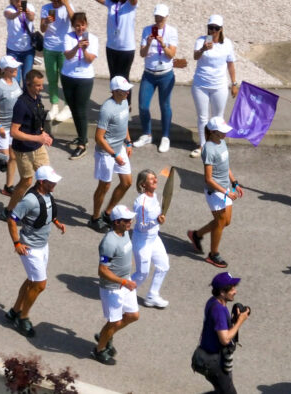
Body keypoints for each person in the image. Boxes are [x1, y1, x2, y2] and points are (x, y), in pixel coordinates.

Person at [5, 165, 65, 338]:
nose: (54, 184)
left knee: (33, 280)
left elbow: (48, 212)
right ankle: (23, 317)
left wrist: (57, 222)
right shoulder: (29, 200)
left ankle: (15, 311)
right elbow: (12, 219)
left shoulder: (48, 194)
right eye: (51, 181)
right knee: (40, 284)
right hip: (30, 248)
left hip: (43, 245)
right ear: (41, 182)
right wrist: (17, 243)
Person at [187, 117, 243, 268]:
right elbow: (209, 179)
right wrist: (226, 192)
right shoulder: (209, 149)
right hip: (216, 192)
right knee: (220, 222)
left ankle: (196, 235)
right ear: (212, 132)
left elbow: (226, 166)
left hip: (226, 189)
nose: (225, 134)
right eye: (222, 132)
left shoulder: (222, 141)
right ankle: (213, 254)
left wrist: (235, 182)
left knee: (226, 222)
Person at [1, 69, 52, 220]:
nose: (41, 88)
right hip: (23, 150)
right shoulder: (21, 104)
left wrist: (43, 134)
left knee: (47, 178)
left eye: (42, 85)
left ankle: (35, 206)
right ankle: (9, 210)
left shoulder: (37, 98)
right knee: (27, 181)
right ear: (28, 84)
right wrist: (37, 139)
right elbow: (14, 132)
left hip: (38, 146)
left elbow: (37, 120)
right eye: (37, 85)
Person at [92, 205, 139, 366]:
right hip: (112, 289)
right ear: (117, 222)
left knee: (133, 316)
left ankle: (105, 335)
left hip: (125, 283)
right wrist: (123, 282)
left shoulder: (125, 233)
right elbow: (102, 271)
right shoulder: (109, 242)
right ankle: (98, 350)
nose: (130, 222)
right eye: (127, 220)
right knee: (113, 322)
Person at [88, 76, 133, 232]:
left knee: (127, 182)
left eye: (128, 90)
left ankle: (107, 213)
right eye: (123, 91)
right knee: (104, 186)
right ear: (114, 91)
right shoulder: (107, 109)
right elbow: (99, 138)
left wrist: (128, 142)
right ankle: (94, 218)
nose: (127, 93)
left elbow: (124, 123)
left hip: (119, 148)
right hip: (106, 153)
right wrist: (114, 155)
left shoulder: (125, 101)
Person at [190, 14, 238, 158]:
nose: (212, 31)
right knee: (202, 117)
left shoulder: (227, 43)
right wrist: (203, 49)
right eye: (210, 28)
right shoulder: (201, 40)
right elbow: (195, 57)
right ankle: (203, 145)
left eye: (216, 28)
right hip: (201, 84)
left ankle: (217, 145)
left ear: (221, 29)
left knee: (218, 117)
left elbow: (230, 64)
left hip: (219, 85)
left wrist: (234, 83)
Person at [193, 272, 250, 394]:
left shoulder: (213, 301)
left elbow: (219, 326)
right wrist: (240, 321)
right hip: (214, 363)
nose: (235, 291)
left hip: (208, 357)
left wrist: (233, 321)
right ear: (222, 292)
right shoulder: (219, 310)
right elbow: (224, 339)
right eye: (232, 289)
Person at [132, 4, 177, 153]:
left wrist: (163, 44)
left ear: (166, 17)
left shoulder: (171, 31)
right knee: (143, 106)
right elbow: (142, 54)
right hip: (149, 74)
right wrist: (150, 42)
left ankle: (165, 136)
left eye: (161, 18)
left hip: (165, 74)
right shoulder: (146, 30)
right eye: (157, 17)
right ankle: (146, 134)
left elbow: (171, 55)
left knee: (165, 106)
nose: (158, 20)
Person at [61, 12, 97, 159]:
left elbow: (89, 60)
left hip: (84, 78)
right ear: (73, 26)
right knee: (72, 107)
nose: (80, 28)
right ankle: (82, 136)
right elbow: (68, 56)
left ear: (86, 24)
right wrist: (77, 46)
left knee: (81, 109)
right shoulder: (68, 37)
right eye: (77, 25)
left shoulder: (93, 38)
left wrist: (84, 49)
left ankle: (82, 144)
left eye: (82, 25)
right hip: (68, 76)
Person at [131, 169, 169, 308]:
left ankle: (152, 296)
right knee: (142, 273)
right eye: (151, 179)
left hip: (154, 238)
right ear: (143, 184)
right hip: (142, 241)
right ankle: (123, 292)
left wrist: (157, 221)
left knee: (163, 266)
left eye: (155, 178)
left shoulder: (154, 196)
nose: (155, 180)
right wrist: (156, 222)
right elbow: (141, 226)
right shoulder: (141, 203)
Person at [0, 55, 22, 197]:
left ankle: (8, 187)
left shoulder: (15, 81)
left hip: (13, 127)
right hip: (1, 128)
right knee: (5, 159)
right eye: (13, 68)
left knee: (12, 157)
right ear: (4, 70)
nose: (16, 69)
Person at [94, 0, 138, 107]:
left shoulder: (130, 4)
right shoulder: (111, 3)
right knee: (113, 78)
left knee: (123, 78)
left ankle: (126, 104)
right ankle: (115, 102)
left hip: (126, 49)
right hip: (111, 47)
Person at [40, 0, 74, 121]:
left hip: (64, 49)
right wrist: (46, 22)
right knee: (52, 78)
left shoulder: (67, 7)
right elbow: (42, 29)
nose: (54, 2)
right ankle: (54, 106)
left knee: (65, 79)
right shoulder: (45, 8)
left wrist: (67, 4)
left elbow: (75, 21)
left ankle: (68, 107)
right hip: (49, 48)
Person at [4, 0, 36, 87]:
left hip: (28, 49)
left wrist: (27, 12)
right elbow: (9, 16)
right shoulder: (9, 9)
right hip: (13, 50)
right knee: (15, 78)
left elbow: (32, 18)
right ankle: (16, 98)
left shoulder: (30, 7)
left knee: (27, 78)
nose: (19, 1)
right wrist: (18, 12)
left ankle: (26, 99)